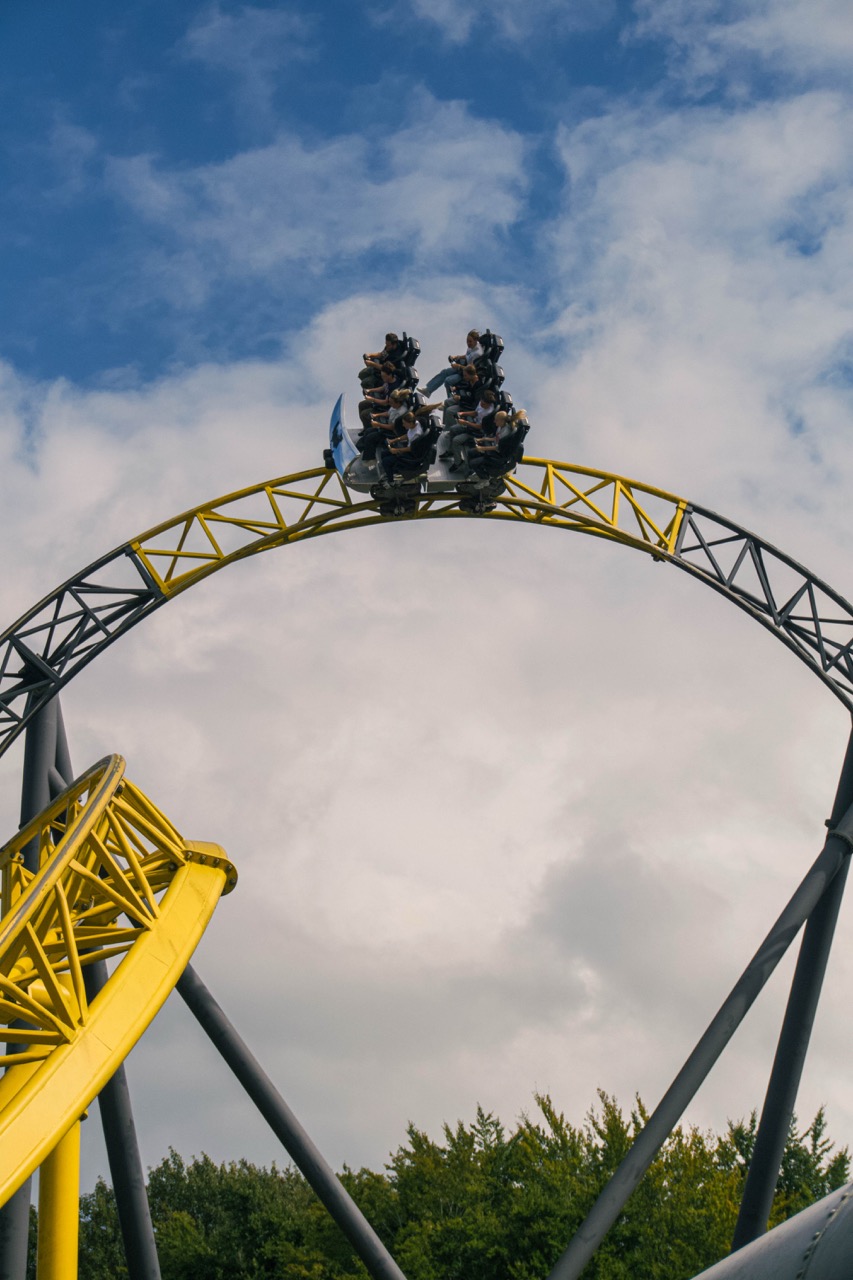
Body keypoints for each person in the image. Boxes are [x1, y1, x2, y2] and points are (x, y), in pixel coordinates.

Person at [421, 330, 484, 397]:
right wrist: (456, 357)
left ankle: (450, 401)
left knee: (448, 381)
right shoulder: (471, 347)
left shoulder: (478, 353)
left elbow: (471, 370)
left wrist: (458, 366)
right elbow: (467, 356)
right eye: (467, 341)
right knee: (444, 372)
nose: (468, 343)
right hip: (463, 368)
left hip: (467, 374)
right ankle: (428, 391)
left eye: (470, 341)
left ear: (475, 341)